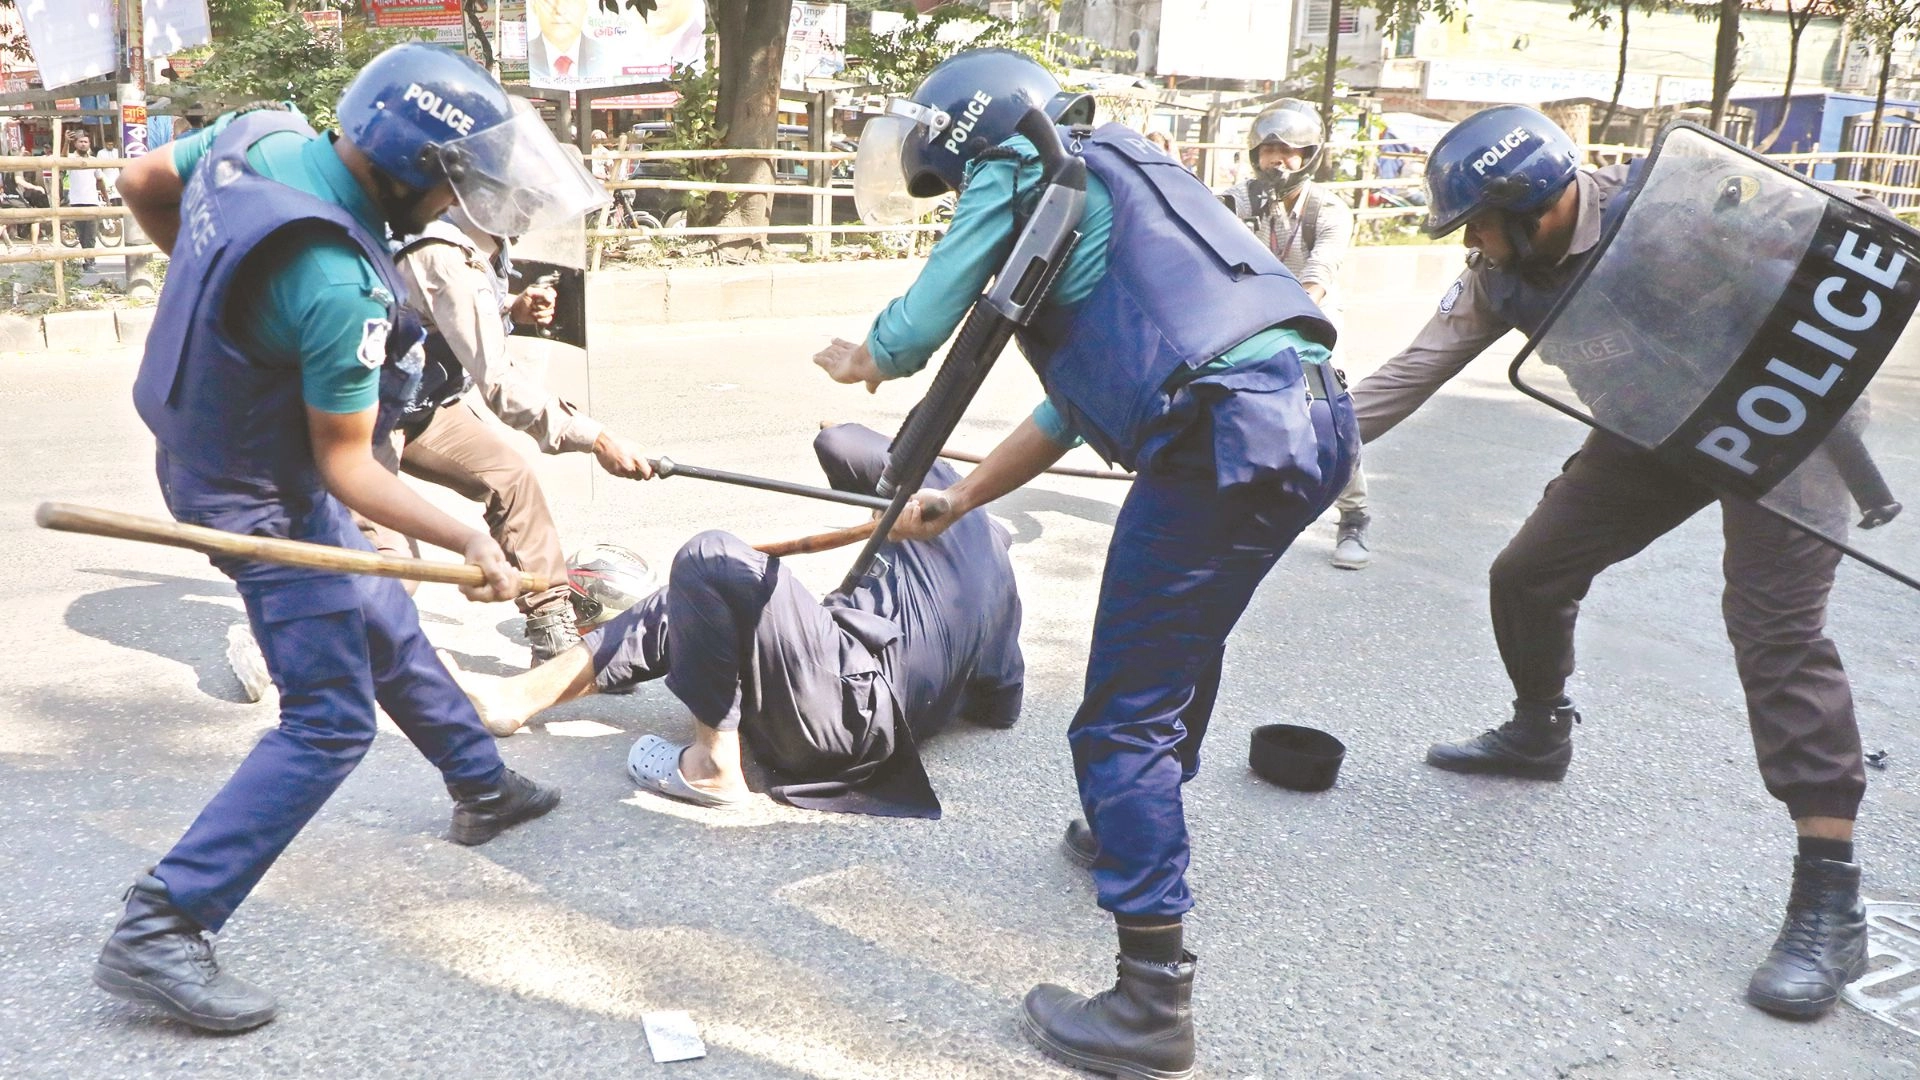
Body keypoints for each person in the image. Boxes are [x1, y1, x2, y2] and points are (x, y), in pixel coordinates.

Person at [814, 49, 1356, 1079]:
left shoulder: (1025, 169)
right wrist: (964, 495)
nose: (954, 200)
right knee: (1178, 644)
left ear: (974, 136)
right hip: (1307, 421)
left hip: (1218, 440)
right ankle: (1130, 828)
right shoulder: (1122, 176)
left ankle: (1152, 1002)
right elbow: (1080, 394)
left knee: (1118, 720)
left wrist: (871, 354)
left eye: (951, 178)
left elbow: (929, 318)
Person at [94, 45, 590, 1033]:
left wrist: (216, 295)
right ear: (404, 167)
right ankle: (162, 923)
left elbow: (143, 178)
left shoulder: (259, 134)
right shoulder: (338, 283)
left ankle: (480, 784)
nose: (455, 209)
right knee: (328, 719)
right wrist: (472, 542)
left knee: (377, 609)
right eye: (452, 188)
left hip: (216, 434)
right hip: (258, 492)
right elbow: (350, 468)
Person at [1349, 104, 1872, 1019]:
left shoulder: (1681, 210)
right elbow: (1409, 371)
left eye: (1476, 219)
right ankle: (1539, 729)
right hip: (1652, 430)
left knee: (1774, 631)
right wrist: (1291, 446)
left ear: (1537, 205)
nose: (1470, 240)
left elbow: (1841, 276)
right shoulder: (1499, 277)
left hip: (1784, 425)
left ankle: (1831, 896)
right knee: (1528, 573)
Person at [448, 422, 1026, 817]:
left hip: (843, 715)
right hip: (852, 698)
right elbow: (1000, 706)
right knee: (702, 599)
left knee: (708, 559)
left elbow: (841, 439)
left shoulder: (933, 503)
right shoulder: (996, 584)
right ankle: (517, 698)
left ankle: (712, 767)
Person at [360, 202, 651, 663]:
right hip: (362, 421)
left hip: (421, 406)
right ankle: (289, 643)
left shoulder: (481, 246)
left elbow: (453, 315)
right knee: (395, 566)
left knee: (511, 478)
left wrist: (512, 306)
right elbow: (501, 386)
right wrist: (597, 438)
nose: (531, 209)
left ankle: (551, 630)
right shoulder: (440, 252)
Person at [1220, 101, 1373, 570]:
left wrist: (1294, 313)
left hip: (1313, 317)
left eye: (1290, 151)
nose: (1278, 160)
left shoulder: (1328, 210)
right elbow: (1205, 220)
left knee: (1327, 413)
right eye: (1270, 149)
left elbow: (1320, 272)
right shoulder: (1244, 197)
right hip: (1253, 316)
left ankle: (1354, 515)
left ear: (1309, 156)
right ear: (1255, 153)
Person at [63, 131, 108, 270]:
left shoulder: (94, 161)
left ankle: (90, 262)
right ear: (75, 144)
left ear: (89, 144)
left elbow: (100, 181)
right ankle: (87, 259)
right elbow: (61, 158)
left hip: (92, 201)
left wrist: (106, 198)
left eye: (85, 142)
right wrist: (65, 142)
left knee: (91, 234)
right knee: (81, 234)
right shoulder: (71, 158)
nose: (83, 144)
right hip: (76, 201)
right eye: (80, 142)